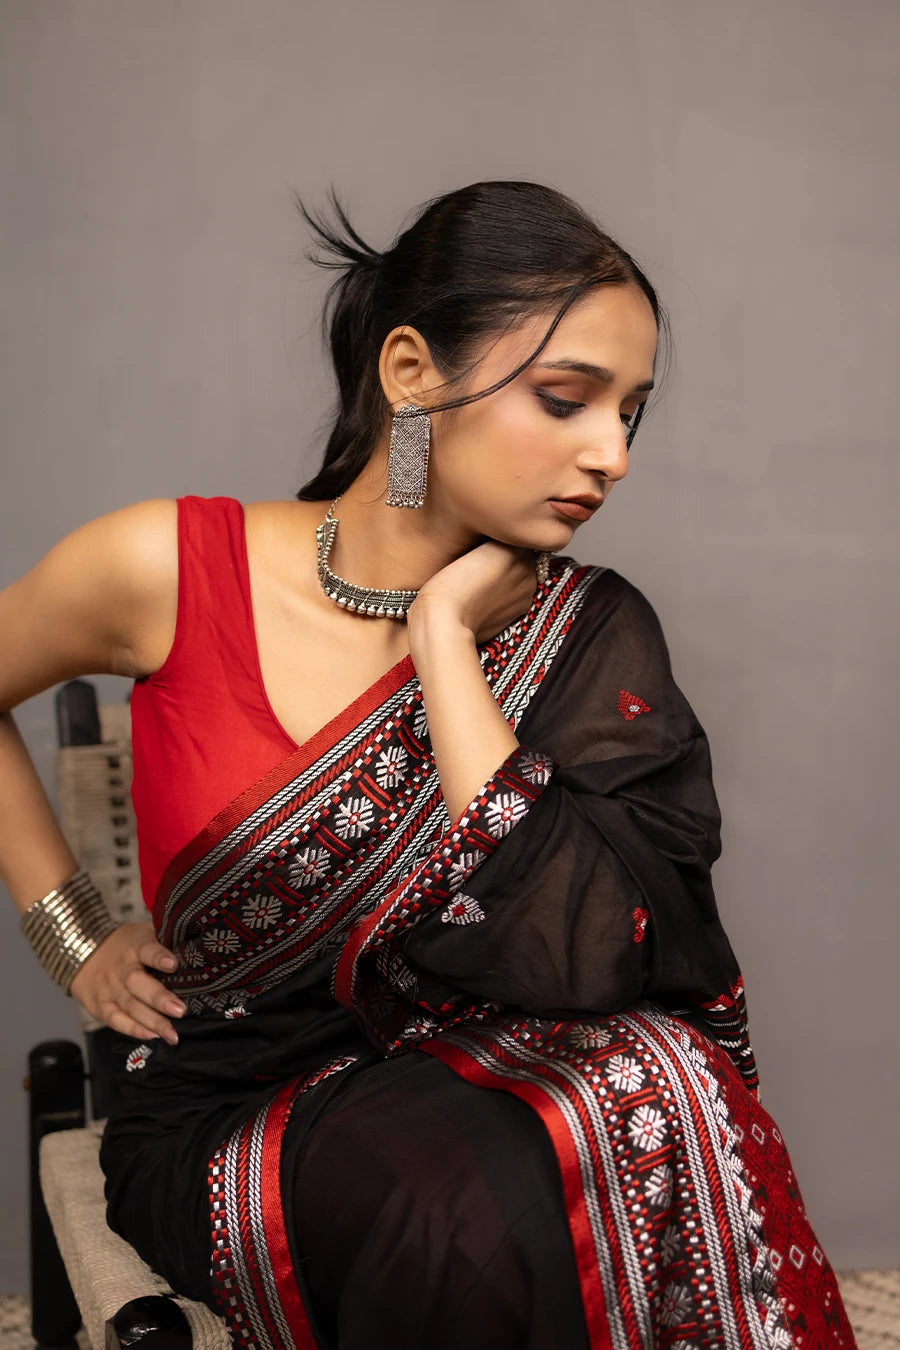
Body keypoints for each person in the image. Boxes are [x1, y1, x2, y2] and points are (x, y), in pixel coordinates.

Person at [1, 180, 856, 1350]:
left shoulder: (588, 631)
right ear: (410, 373)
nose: (609, 453)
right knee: (460, 1207)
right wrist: (74, 934)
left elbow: (595, 955)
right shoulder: (169, 566)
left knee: (646, 1087)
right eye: (566, 399)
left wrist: (446, 643)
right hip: (239, 1105)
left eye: (633, 414)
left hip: (489, 1068)